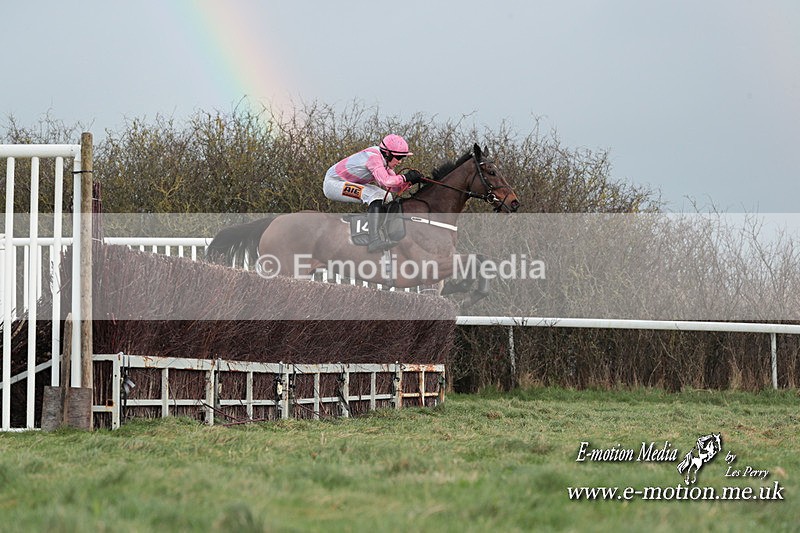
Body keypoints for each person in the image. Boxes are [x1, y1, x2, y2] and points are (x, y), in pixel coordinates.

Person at [323, 134, 423, 252]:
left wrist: (410, 181)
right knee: (374, 195)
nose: (400, 162)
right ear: (388, 154)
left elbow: (392, 188)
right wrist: (405, 177)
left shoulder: (384, 161)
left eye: (402, 158)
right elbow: (386, 181)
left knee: (387, 197)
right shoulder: (374, 158)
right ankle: (374, 240)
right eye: (399, 157)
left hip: (345, 181)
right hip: (333, 184)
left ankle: (384, 231)